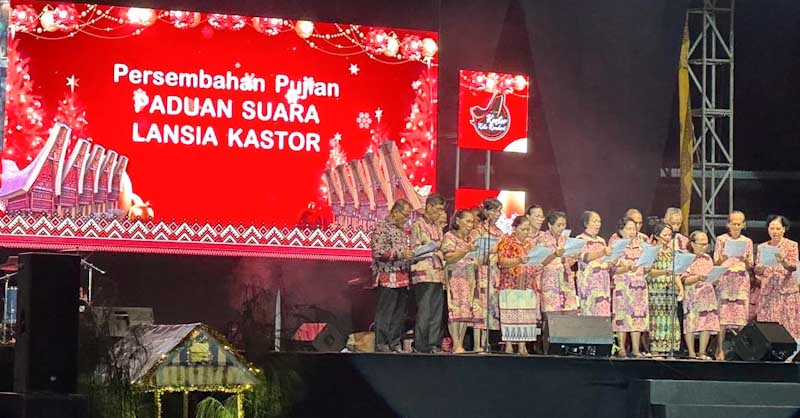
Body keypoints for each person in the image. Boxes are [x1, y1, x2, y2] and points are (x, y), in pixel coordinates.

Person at [371, 199, 415, 353]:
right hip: (387, 276)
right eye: (405, 215)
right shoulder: (382, 227)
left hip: (402, 276)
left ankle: (394, 343)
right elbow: (378, 252)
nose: (407, 219)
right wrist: (399, 254)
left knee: (399, 313)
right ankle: (382, 343)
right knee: (386, 311)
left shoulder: (402, 230)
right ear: (395, 212)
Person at [713, 210, 754, 360]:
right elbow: (716, 262)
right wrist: (723, 257)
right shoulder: (721, 239)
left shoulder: (747, 241)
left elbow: (751, 264)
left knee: (741, 316)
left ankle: (741, 351)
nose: (736, 227)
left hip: (740, 280)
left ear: (743, 225)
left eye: (739, 224)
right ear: (728, 224)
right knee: (722, 317)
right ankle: (719, 349)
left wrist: (745, 260)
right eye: (734, 224)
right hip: (726, 279)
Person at [497, 216, 540, 355]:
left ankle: (522, 345)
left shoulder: (529, 244)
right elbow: (502, 261)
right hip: (510, 283)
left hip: (527, 283)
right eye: (523, 229)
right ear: (514, 228)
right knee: (510, 314)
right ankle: (509, 345)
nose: (526, 232)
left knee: (525, 315)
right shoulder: (506, 242)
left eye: (528, 229)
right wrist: (519, 260)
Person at [410, 194, 447, 353]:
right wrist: (430, 248)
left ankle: (434, 344)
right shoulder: (417, 225)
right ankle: (421, 345)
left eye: (442, 210)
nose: (440, 213)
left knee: (436, 312)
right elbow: (413, 251)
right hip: (423, 273)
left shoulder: (438, 227)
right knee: (425, 311)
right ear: (429, 206)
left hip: (438, 274)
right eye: (437, 209)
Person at [754, 215, 800, 341]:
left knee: (788, 322)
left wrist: (783, 262)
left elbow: (793, 267)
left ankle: (790, 348)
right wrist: (759, 269)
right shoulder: (762, 247)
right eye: (772, 228)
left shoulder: (792, 245)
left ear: (784, 229)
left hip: (786, 290)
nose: (775, 232)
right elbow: (757, 269)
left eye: (778, 228)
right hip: (769, 290)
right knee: (769, 323)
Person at [611, 217, 650, 357]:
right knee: (622, 316)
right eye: (628, 229)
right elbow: (612, 269)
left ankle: (635, 349)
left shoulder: (642, 245)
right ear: (621, 230)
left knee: (637, 317)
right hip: (623, 285)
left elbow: (647, 267)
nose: (632, 232)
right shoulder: (616, 245)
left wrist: (647, 265)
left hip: (639, 286)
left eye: (634, 229)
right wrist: (627, 268)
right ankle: (621, 348)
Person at [441, 209, 479, 354]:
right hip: (454, 278)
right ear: (458, 221)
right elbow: (449, 258)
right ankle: (455, 343)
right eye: (468, 221)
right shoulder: (449, 236)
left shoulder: (470, 238)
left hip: (468, 278)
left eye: (472, 222)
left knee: (465, 311)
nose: (471, 225)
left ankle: (460, 343)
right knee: (454, 310)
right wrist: (465, 250)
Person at [470, 198, 505, 352]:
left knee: (490, 308)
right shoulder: (477, 230)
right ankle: (476, 343)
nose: (498, 214)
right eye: (495, 210)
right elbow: (472, 252)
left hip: (494, 272)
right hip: (480, 271)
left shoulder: (500, 232)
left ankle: (486, 342)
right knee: (480, 306)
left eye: (499, 211)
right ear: (486, 211)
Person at [647, 221, 684, 357]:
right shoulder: (652, 251)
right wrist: (664, 272)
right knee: (657, 318)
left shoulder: (673, 253)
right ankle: (655, 349)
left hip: (670, 290)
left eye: (670, 235)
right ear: (657, 235)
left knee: (670, 318)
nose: (668, 238)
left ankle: (669, 348)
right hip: (656, 289)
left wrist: (681, 289)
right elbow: (649, 271)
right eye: (665, 235)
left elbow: (676, 273)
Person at [681, 231, 719, 360]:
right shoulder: (687, 258)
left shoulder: (708, 258)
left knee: (706, 323)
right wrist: (698, 278)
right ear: (692, 244)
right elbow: (684, 279)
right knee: (691, 323)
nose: (704, 247)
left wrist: (715, 278)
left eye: (706, 244)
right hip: (693, 294)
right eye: (701, 244)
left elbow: (711, 275)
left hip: (707, 294)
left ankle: (702, 352)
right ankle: (691, 352)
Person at [539, 211, 579, 315]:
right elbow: (540, 262)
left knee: (568, 312)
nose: (562, 228)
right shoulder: (542, 240)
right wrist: (554, 255)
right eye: (559, 225)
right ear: (550, 225)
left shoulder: (565, 240)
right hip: (550, 280)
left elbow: (568, 262)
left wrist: (574, 258)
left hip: (565, 279)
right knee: (552, 312)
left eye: (564, 225)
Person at [576, 211, 613, 317]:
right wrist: (602, 253)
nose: (598, 224)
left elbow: (605, 260)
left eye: (599, 221)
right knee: (590, 312)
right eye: (594, 221)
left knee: (603, 313)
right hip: (589, 282)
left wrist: (612, 261)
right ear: (586, 223)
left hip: (603, 282)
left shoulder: (602, 241)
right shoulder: (580, 239)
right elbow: (584, 257)